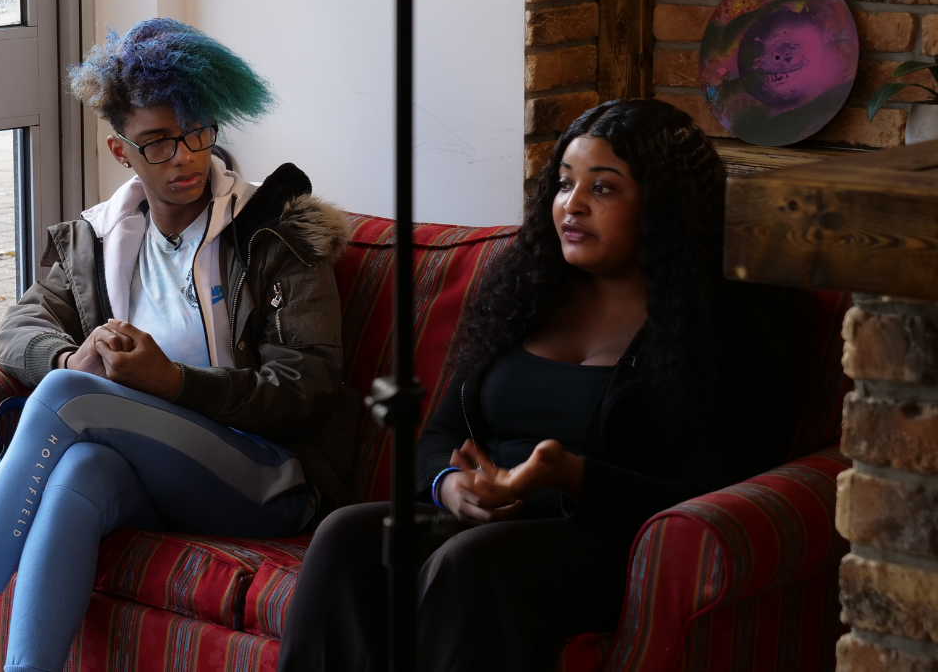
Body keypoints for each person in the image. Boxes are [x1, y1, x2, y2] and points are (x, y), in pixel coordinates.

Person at [0, 18, 362, 672]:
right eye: (159, 143)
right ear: (122, 152)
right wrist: (72, 357)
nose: (186, 158)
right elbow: (19, 331)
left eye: (198, 133)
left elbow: (307, 393)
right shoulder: (97, 241)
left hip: (271, 475)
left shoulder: (278, 234)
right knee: (82, 469)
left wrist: (172, 383)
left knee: (68, 400)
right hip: (162, 473)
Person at [274, 98, 810, 672]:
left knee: (470, 562)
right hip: (493, 523)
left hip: (613, 544)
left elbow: (711, 496)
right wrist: (451, 485)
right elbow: (440, 434)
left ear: (664, 206)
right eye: (563, 184)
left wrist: (572, 476)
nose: (572, 206)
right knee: (349, 535)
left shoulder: (715, 328)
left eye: (602, 189)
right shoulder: (524, 297)